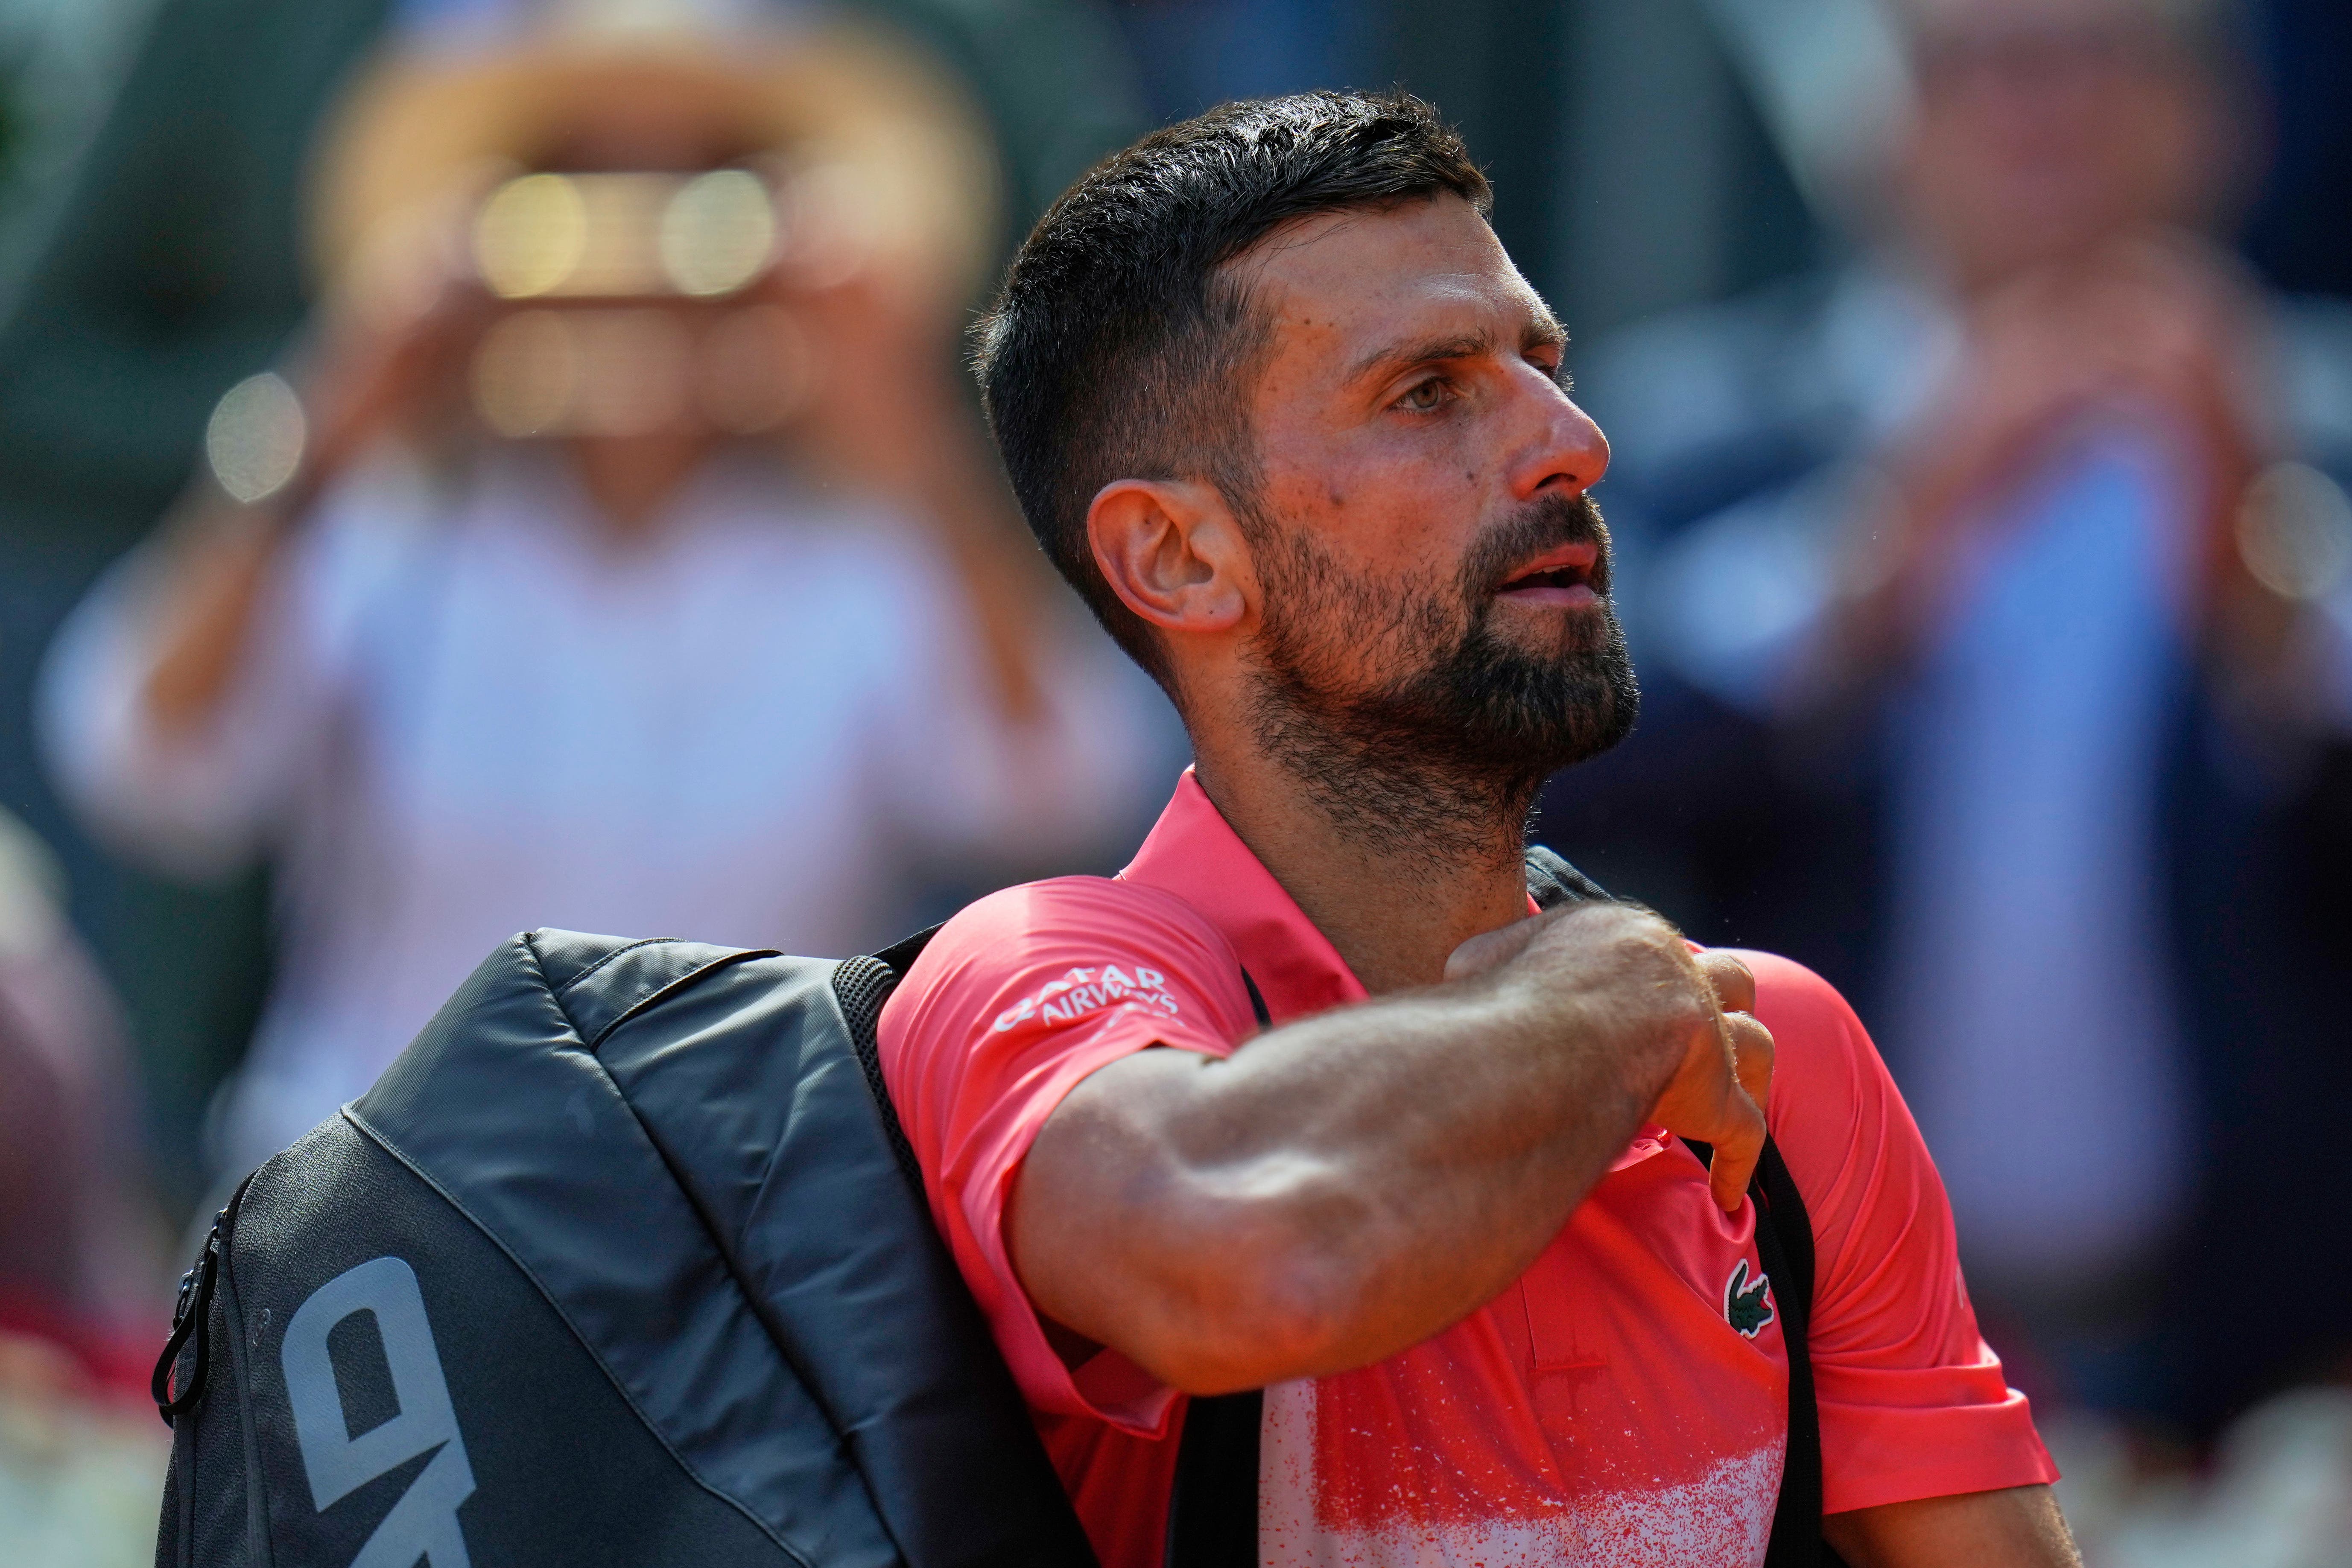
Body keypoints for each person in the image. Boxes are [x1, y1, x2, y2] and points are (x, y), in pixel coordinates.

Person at [877, 92, 2075, 1567]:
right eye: (1431, 392)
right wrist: (1607, 1000)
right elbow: (1239, 1257)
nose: (1575, 442)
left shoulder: (1784, 1048)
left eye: (1544, 365)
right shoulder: (1042, 972)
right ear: (1179, 555)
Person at [36, 9, 1160, 1180]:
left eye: (701, 190)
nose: (639, 247)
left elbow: (1057, 781)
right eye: (582, 184)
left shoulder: (862, 555)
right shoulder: (392, 533)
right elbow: (141, 761)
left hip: (745, 1229)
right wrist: (334, 408)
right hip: (378, 1212)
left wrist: (910, 442)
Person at [1554, 0, 2352, 1436]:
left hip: (2275, 1378)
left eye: (2105, 54)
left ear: (2221, 115)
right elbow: (1560, 778)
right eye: (1979, 62)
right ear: (1877, 125)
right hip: (1808, 1347)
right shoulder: (1708, 429)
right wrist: (1872, 561)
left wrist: (2275, 594)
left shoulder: (2320, 431)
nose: (2044, 110)